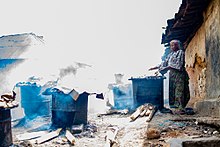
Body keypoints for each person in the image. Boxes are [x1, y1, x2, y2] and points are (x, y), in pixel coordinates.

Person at [149, 39, 190, 114]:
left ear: (178, 45)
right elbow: (164, 63)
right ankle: (176, 108)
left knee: (179, 91)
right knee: (173, 91)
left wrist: (168, 67)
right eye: (171, 45)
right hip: (172, 75)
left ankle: (181, 108)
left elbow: (179, 66)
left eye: (174, 45)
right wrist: (155, 67)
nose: (172, 47)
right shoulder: (170, 55)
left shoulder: (180, 53)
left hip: (179, 75)